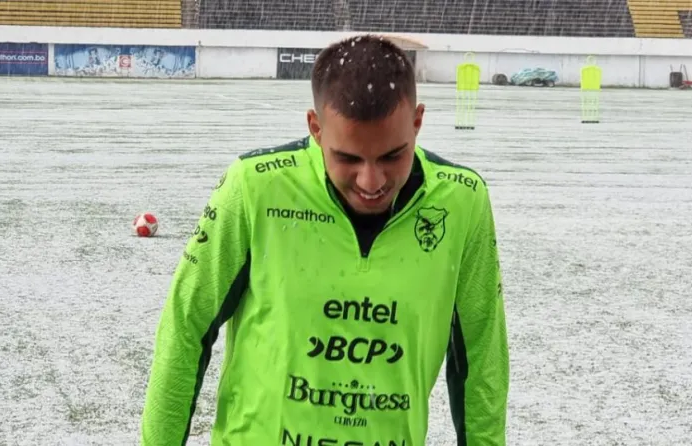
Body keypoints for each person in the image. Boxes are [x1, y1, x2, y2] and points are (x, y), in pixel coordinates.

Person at [140, 34, 508, 446]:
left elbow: (482, 357)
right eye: (348, 158)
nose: (372, 181)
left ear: (418, 121)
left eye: (392, 155)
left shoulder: (462, 202)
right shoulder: (256, 188)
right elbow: (186, 326)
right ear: (316, 129)